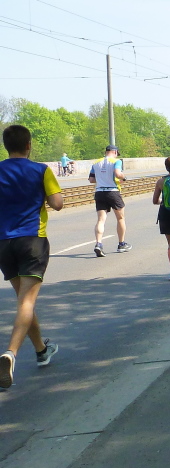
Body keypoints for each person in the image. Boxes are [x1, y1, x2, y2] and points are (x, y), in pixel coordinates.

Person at [0, 125, 64, 389]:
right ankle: (10, 354)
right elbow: (57, 203)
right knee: (26, 302)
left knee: (24, 301)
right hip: (32, 240)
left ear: (6, 146)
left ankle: (41, 350)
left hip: (4, 243)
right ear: (28, 145)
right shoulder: (41, 170)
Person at [89, 144, 132, 256]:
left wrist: (102, 178)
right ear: (115, 152)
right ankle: (121, 244)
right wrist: (124, 178)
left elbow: (91, 179)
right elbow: (118, 174)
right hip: (113, 192)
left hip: (99, 192)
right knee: (120, 218)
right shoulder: (116, 162)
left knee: (101, 220)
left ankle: (98, 244)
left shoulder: (96, 163)